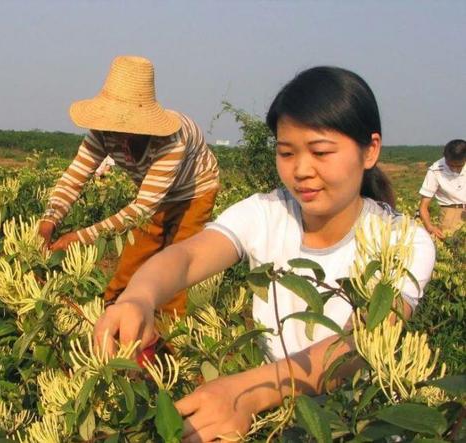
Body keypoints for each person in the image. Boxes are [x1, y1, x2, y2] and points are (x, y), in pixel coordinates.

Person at [93, 66, 436, 442]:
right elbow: (187, 257)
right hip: (276, 418)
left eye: (321, 152)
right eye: (286, 152)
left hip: (358, 422)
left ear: (370, 150)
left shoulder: (403, 242)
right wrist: (140, 295)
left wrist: (246, 393)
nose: (302, 170)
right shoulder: (266, 213)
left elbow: (361, 344)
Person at [38, 55, 220, 314]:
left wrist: (80, 237)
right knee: (133, 258)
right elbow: (74, 177)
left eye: (124, 121)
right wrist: (49, 222)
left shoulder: (171, 139)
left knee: (178, 264)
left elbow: (144, 207)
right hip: (151, 193)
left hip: (194, 191)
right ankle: (112, 314)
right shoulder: (103, 132)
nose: (116, 129)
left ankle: (172, 341)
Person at [418, 139, 466, 238]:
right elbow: (423, 206)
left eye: (459, 166)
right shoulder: (435, 170)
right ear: (444, 156)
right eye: (451, 165)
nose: (455, 169)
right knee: (454, 248)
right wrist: (430, 227)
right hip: (449, 216)